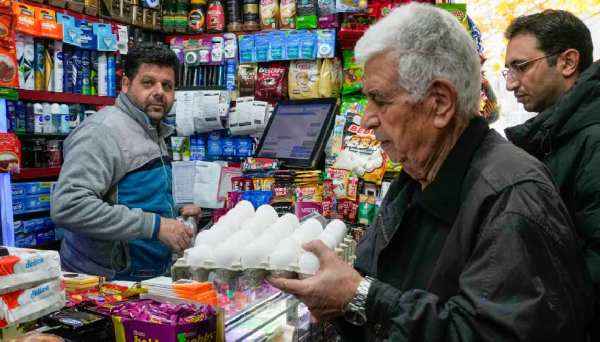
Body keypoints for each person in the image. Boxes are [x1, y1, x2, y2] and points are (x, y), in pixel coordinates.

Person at [267, 4, 593, 341]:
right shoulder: (415, 176)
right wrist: (336, 293)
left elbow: (492, 333)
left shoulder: (512, 197)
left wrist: (361, 296)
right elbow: (381, 286)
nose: (366, 118)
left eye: (380, 99)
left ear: (440, 103)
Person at [51, 43, 201, 281]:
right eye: (148, 82)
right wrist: (157, 225)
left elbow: (131, 197)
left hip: (142, 283)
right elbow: (69, 206)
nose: (159, 92)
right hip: (102, 286)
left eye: (167, 86)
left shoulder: (153, 130)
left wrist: (175, 215)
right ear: (126, 84)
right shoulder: (101, 132)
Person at [503, 10, 600, 338]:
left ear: (568, 62)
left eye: (521, 66)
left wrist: (531, 316)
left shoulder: (592, 139)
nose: (511, 83)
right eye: (508, 70)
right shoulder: (554, 134)